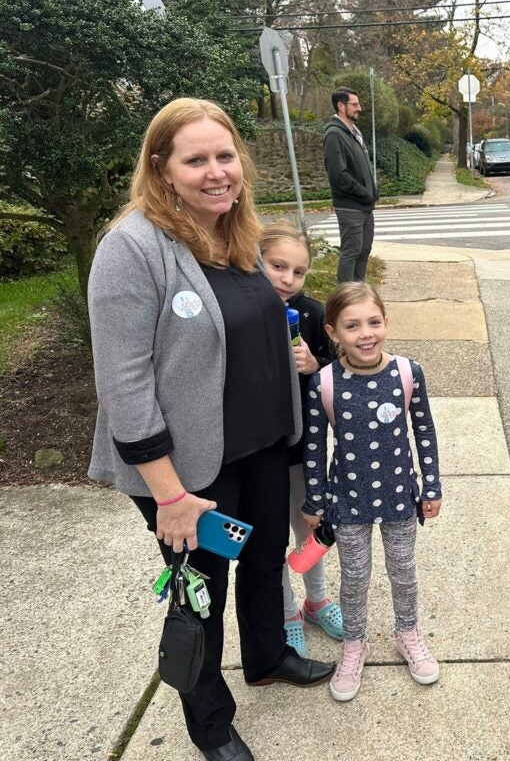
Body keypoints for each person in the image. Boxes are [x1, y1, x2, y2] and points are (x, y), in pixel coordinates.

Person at [88, 98, 334, 761]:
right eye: (196, 160)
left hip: (256, 447)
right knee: (203, 589)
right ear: (162, 168)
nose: (216, 172)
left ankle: (267, 655)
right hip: (188, 470)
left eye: (224, 156)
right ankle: (210, 724)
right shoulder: (131, 249)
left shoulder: (236, 233)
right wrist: (168, 495)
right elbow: (123, 385)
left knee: (259, 561)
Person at [302, 282, 443, 702]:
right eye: (352, 326)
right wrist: (315, 501)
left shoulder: (407, 373)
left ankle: (407, 632)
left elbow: (424, 432)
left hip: (401, 497)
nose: (366, 334)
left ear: (386, 322)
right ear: (333, 332)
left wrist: (431, 484)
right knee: (355, 577)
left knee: (404, 571)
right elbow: (315, 447)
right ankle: (354, 643)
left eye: (374, 322)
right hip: (347, 503)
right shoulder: (325, 383)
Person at [259, 221, 341, 657]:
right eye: (277, 266)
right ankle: (286, 611)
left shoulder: (310, 314)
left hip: (301, 450)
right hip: (255, 451)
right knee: (269, 537)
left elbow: (338, 372)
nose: (287, 279)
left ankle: (317, 600)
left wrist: (316, 364)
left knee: (308, 527)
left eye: (298, 271)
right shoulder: (243, 308)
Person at [324, 87, 378, 283]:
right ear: (341, 106)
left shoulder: (353, 132)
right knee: (351, 252)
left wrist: (372, 193)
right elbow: (339, 176)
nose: (359, 108)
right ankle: (345, 299)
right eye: (355, 105)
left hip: (364, 206)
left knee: (364, 251)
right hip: (350, 206)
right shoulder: (334, 135)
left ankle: (359, 293)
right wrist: (365, 193)